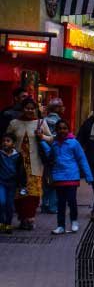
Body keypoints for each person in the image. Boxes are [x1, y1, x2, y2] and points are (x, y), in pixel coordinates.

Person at [5, 97, 53, 230]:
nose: (30, 110)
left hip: (35, 163)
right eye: (27, 108)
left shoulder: (41, 123)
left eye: (32, 108)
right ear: (22, 108)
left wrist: (42, 136)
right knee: (19, 193)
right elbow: (6, 139)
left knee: (33, 193)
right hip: (17, 164)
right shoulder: (14, 123)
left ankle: (30, 218)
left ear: (36, 109)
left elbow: (51, 140)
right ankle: (22, 218)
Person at [41, 120, 93, 235]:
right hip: (59, 177)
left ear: (68, 130)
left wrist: (88, 176)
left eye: (64, 128)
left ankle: (74, 221)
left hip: (72, 176)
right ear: (56, 130)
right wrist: (42, 143)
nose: (62, 131)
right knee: (61, 203)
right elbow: (50, 154)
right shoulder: (54, 143)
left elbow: (82, 159)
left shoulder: (74, 143)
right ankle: (60, 226)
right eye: (59, 128)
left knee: (72, 200)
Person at [40, 99, 65, 214]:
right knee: (54, 182)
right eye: (61, 106)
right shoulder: (60, 122)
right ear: (57, 108)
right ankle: (53, 206)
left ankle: (45, 204)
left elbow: (41, 139)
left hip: (45, 157)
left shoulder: (43, 121)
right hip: (56, 155)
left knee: (46, 181)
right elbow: (58, 139)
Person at [0, 133, 27, 235]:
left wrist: (22, 185)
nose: (5, 143)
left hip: (12, 184)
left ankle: (8, 224)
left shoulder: (18, 156)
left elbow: (21, 171)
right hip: (1, 182)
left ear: (13, 144)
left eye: (8, 141)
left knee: (10, 205)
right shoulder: (0, 154)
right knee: (1, 202)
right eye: (4, 141)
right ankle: (1, 222)